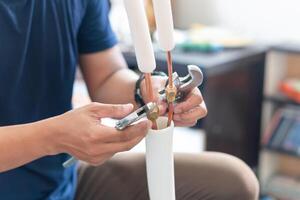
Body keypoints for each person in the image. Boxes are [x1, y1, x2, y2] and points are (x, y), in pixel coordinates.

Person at [0, 0, 259, 199]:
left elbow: (106, 76)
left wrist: (147, 88)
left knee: (234, 182)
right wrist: (53, 137)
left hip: (61, 179)